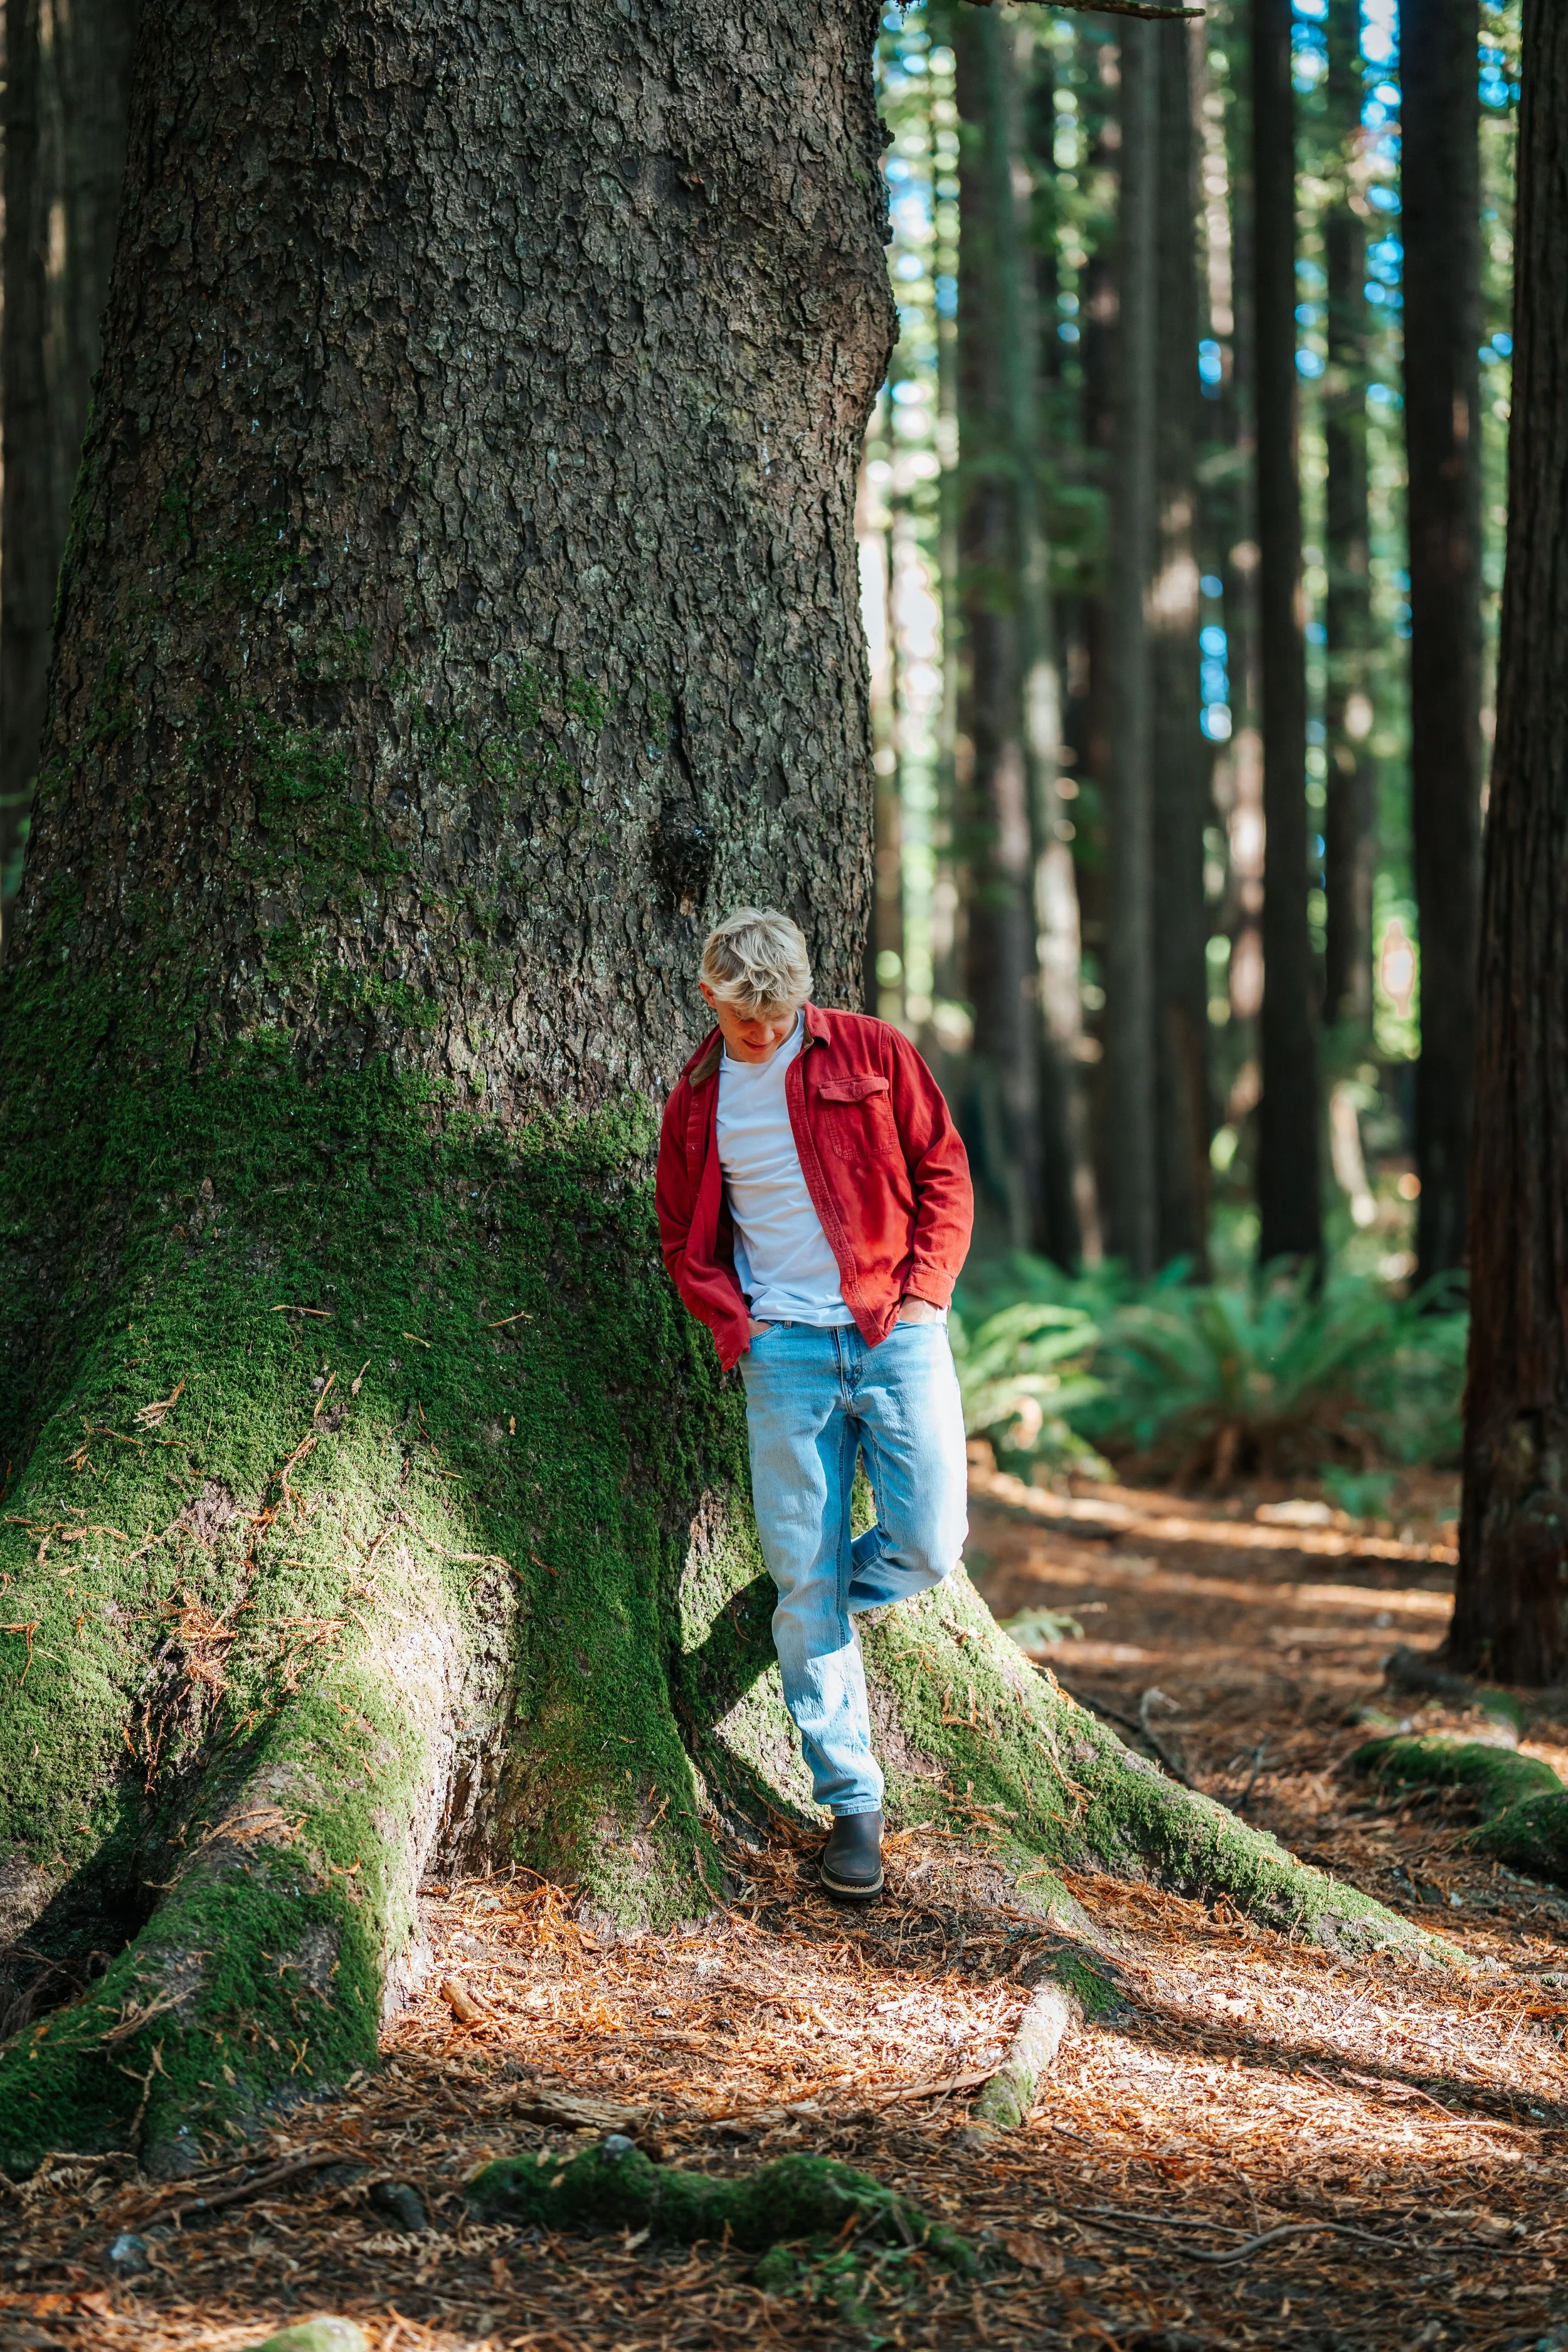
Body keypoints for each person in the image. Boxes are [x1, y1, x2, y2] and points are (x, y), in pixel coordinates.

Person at [655, 908, 973, 1899]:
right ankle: (853, 1801)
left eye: (779, 1017)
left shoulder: (875, 1054)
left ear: (804, 992)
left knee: (929, 1543)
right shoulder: (699, 1099)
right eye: (744, 1021)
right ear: (710, 997)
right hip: (783, 1352)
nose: (764, 1035)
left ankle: (811, 1607)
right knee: (805, 1579)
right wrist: (734, 1325)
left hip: (894, 1329)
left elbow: (945, 1171)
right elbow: (680, 1232)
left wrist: (923, 1293)